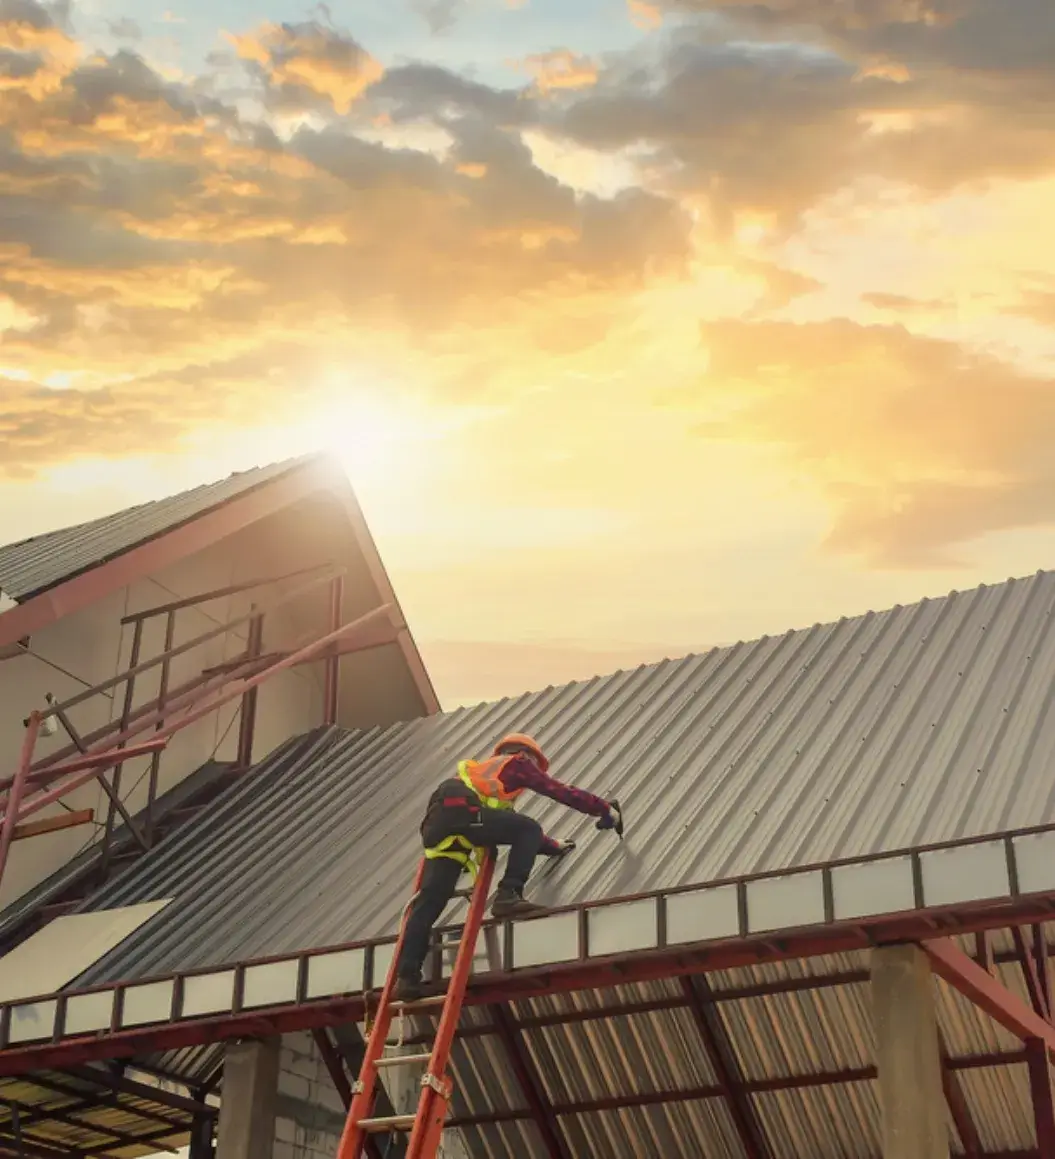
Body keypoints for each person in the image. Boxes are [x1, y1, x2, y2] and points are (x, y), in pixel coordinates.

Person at [393, 732, 622, 1001]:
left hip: (441, 826)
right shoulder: (517, 763)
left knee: (429, 903)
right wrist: (603, 808)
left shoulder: (487, 781)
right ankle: (508, 895)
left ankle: (406, 979)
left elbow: (515, 828)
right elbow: (558, 791)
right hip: (461, 812)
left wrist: (555, 846)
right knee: (529, 826)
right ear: (526, 755)